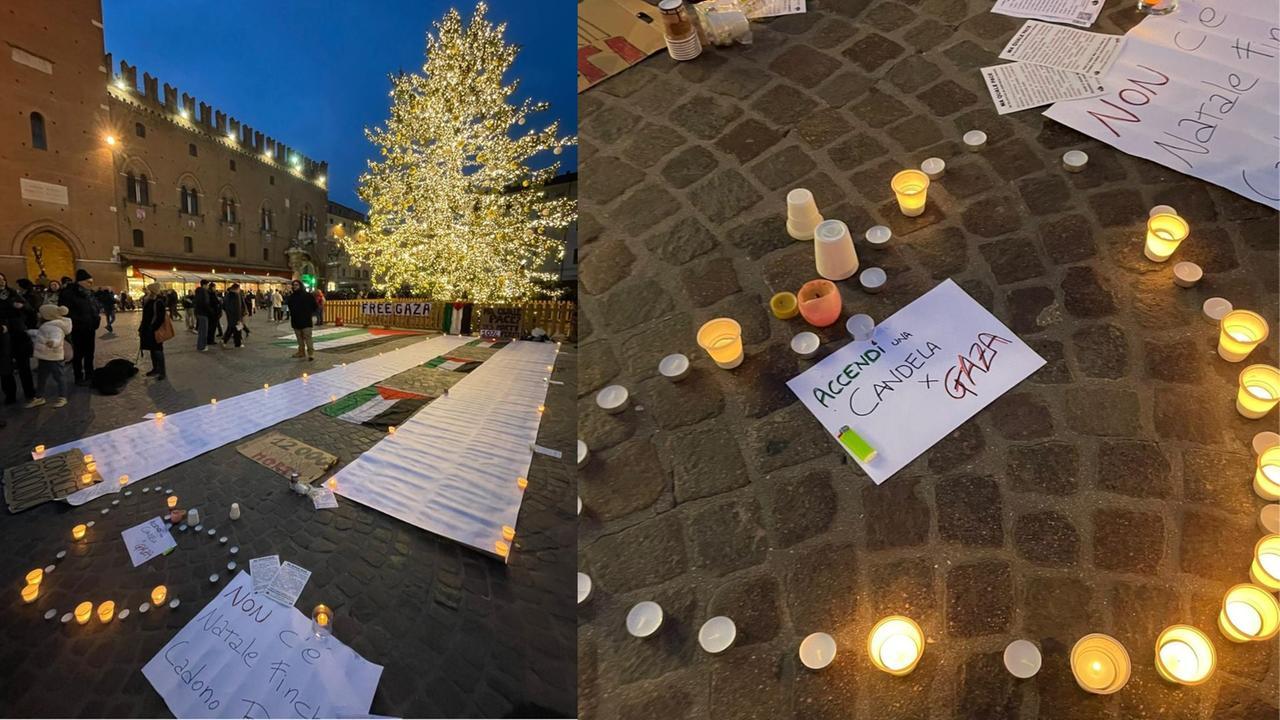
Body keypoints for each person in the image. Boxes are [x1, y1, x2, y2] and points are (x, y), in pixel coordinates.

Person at [26, 304, 71, 408]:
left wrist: (53, 342)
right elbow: (41, 334)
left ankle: (62, 397)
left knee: (59, 377)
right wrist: (30, 332)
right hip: (44, 356)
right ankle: (39, 397)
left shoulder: (55, 327)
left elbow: (57, 337)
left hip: (53, 356)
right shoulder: (47, 325)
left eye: (41, 313)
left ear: (47, 315)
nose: (38, 315)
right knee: (42, 377)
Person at [0, 273, 36, 404]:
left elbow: (30, 309)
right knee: (5, 368)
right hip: (3, 336)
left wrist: (22, 307)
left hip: (19, 334)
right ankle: (10, 395)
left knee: (24, 366)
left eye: (3, 279)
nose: (2, 282)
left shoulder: (13, 293)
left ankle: (30, 392)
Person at [62, 269, 99, 386]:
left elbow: (95, 307)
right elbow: (65, 312)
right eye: (88, 282)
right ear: (80, 282)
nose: (91, 284)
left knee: (90, 353)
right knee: (78, 354)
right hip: (77, 328)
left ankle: (90, 374)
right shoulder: (68, 294)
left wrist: (96, 319)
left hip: (90, 328)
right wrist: (79, 321)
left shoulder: (90, 293)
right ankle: (78, 377)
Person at [139, 283, 168, 380]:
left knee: (158, 350)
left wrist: (153, 328)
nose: (146, 291)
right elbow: (145, 317)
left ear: (152, 291)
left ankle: (162, 372)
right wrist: (141, 328)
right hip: (148, 329)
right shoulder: (149, 300)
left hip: (154, 331)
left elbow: (160, 318)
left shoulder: (158, 302)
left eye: (148, 290)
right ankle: (155, 369)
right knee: (152, 350)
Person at [285, 279, 317, 360]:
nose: (295, 286)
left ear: (300, 286)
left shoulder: (308, 295)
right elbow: (290, 306)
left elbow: (315, 306)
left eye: (296, 285)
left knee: (308, 338)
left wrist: (309, 313)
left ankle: (311, 354)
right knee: (299, 339)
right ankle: (301, 352)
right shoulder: (291, 297)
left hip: (306, 321)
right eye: (294, 285)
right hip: (296, 321)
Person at [221, 283, 243, 348]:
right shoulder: (236, 296)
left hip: (229, 315)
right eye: (239, 289)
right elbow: (238, 308)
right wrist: (239, 318)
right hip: (236, 316)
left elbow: (224, 306)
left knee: (231, 328)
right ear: (236, 289)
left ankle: (225, 341)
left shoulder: (227, 295)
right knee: (238, 329)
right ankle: (238, 343)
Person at [194, 280, 211, 351]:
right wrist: (210, 311)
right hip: (203, 313)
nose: (208, 286)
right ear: (204, 285)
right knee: (203, 331)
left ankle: (200, 345)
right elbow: (205, 303)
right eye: (207, 285)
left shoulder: (198, 292)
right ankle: (202, 347)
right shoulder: (203, 292)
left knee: (201, 330)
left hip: (198, 313)